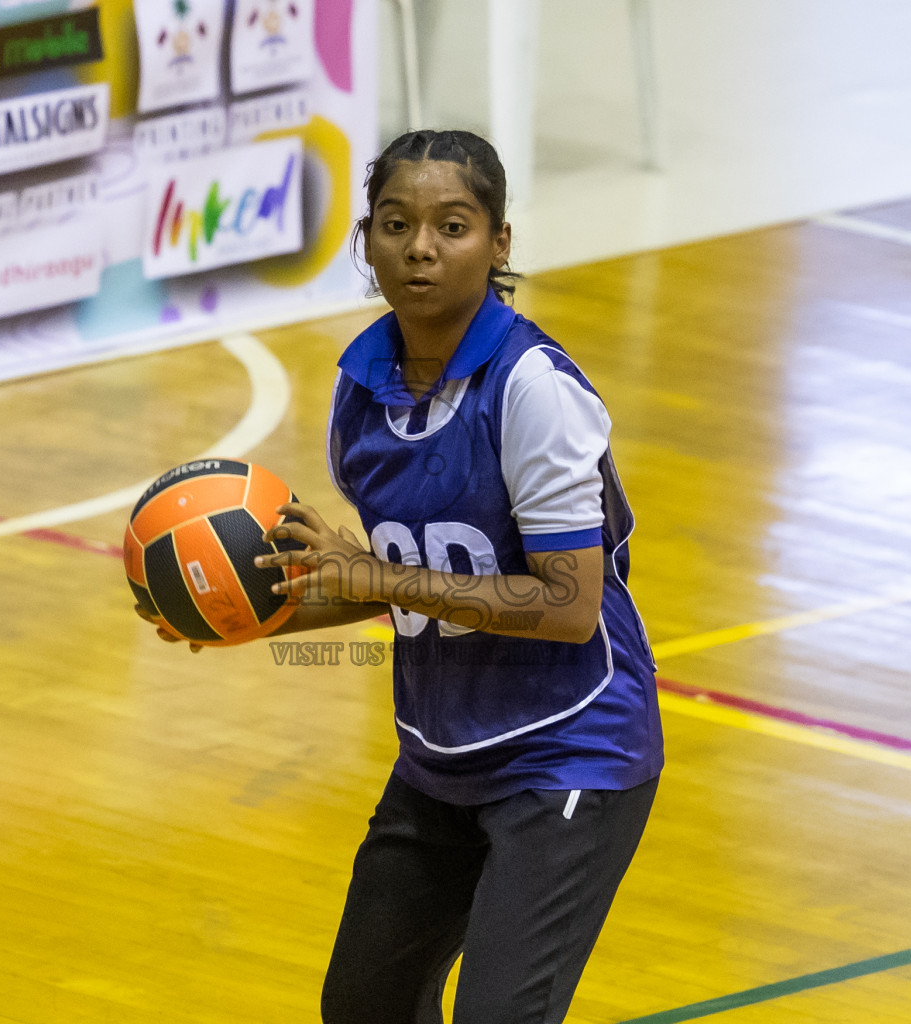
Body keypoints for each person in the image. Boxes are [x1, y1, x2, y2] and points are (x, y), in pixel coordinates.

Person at [143, 129, 663, 1023]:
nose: (420, 248)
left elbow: (569, 609)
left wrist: (380, 579)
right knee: (363, 1007)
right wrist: (250, 613)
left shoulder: (534, 389)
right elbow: (406, 586)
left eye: (452, 226)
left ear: (499, 244)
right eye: (396, 224)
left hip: (570, 751)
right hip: (442, 754)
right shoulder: (360, 390)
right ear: (368, 241)